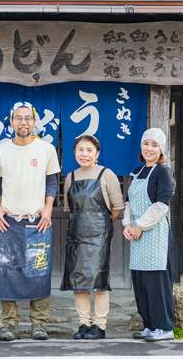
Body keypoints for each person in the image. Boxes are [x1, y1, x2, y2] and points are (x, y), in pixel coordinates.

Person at [0, 101, 61, 341]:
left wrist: (48, 209)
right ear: (11, 121)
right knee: (5, 271)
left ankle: (38, 323)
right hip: (8, 221)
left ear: (34, 120)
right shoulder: (1, 149)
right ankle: (9, 324)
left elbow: (52, 182)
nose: (23, 122)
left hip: (37, 221)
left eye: (27, 118)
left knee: (38, 271)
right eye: (18, 118)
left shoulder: (46, 149)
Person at [61, 135, 124, 340]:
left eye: (89, 150)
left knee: (98, 281)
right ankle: (83, 323)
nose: (84, 154)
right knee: (78, 281)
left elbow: (117, 208)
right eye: (80, 149)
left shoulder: (107, 174)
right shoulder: (70, 177)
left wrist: (100, 224)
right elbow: (70, 209)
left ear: (97, 153)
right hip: (76, 236)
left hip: (99, 235)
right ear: (74, 152)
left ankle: (99, 325)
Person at [122, 128, 176, 342]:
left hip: (154, 235)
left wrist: (139, 226)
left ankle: (164, 327)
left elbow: (162, 205)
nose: (149, 148)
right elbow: (128, 203)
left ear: (161, 149)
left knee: (157, 284)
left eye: (155, 145)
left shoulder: (163, 172)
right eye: (146, 144)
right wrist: (127, 224)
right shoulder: (137, 171)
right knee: (141, 282)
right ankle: (149, 325)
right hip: (136, 235)